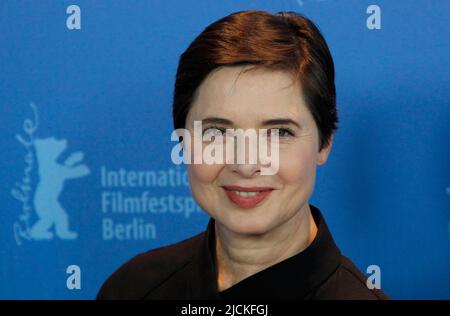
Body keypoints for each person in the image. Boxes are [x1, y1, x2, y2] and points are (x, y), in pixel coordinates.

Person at [97, 10, 388, 300]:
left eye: (278, 133)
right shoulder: (133, 290)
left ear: (324, 143)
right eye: (217, 132)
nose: (246, 164)